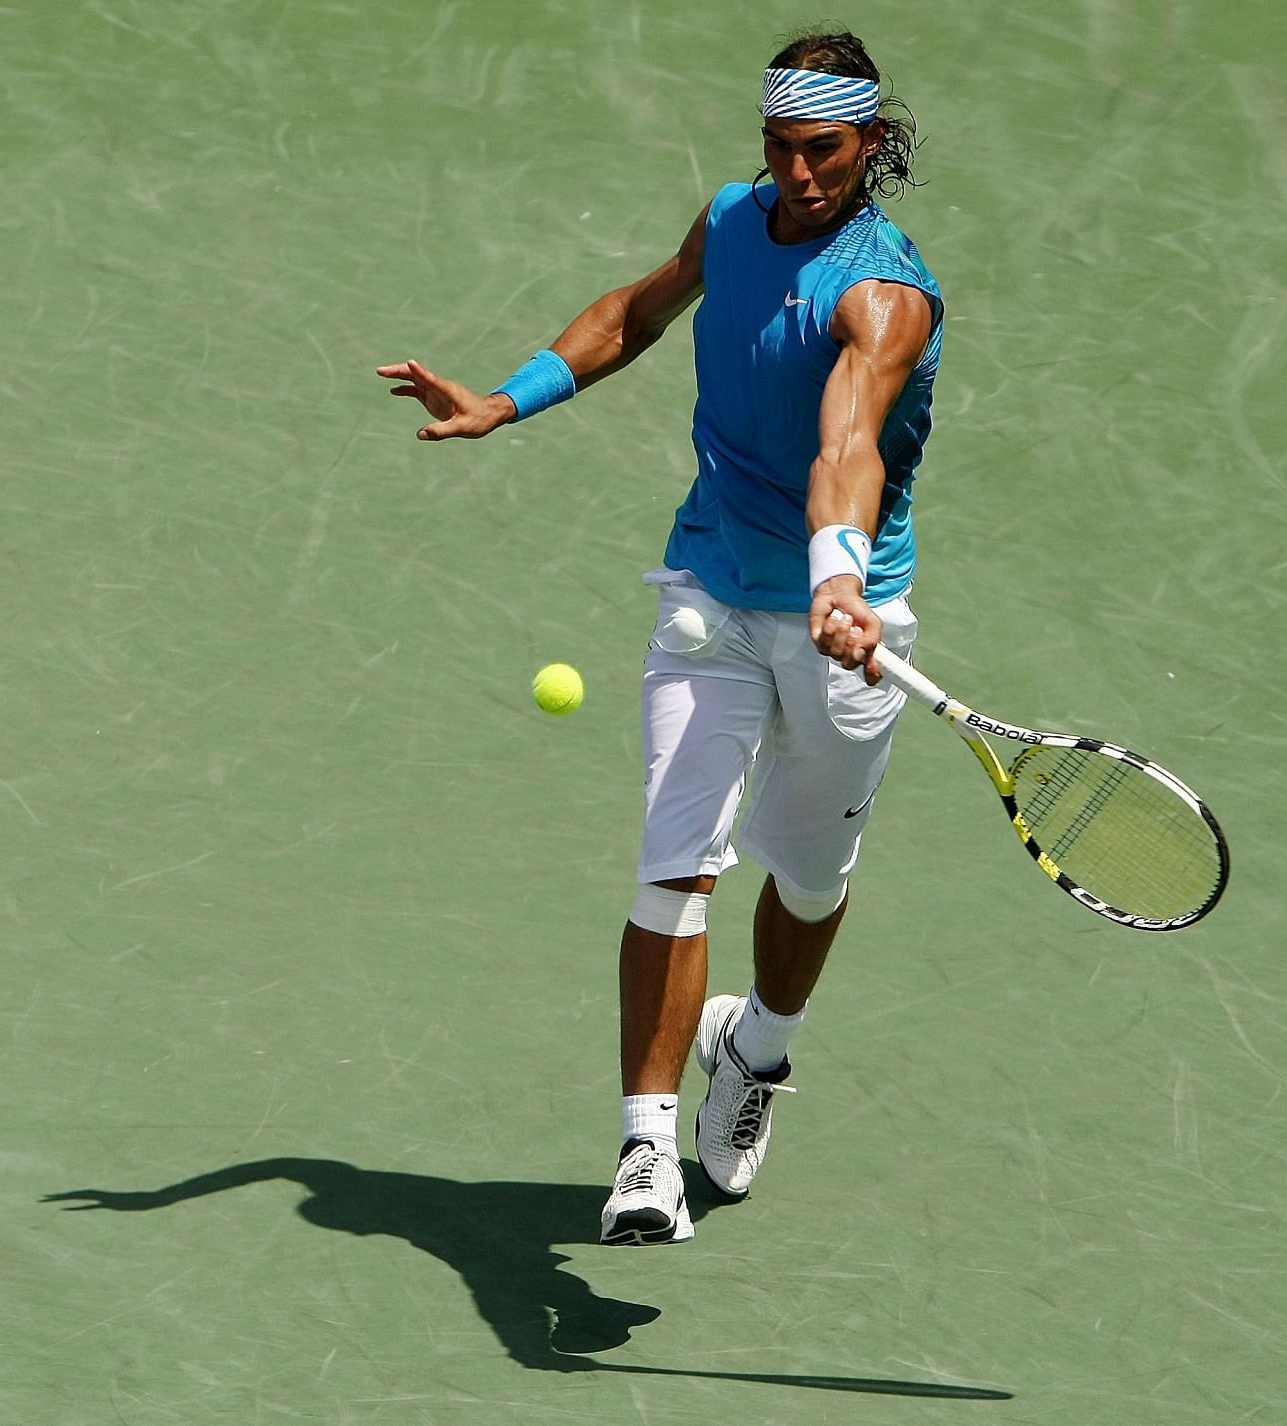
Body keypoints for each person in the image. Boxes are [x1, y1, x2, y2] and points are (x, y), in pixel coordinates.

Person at [377, 30, 942, 1246]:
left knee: (810, 880)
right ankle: (643, 1151)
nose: (797, 174)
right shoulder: (734, 220)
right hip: (708, 599)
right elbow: (636, 310)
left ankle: (756, 1051)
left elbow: (848, 442)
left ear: (873, 146)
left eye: (824, 151)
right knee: (674, 866)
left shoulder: (884, 292)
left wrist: (837, 577)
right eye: (781, 149)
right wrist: (505, 396)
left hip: (845, 619)